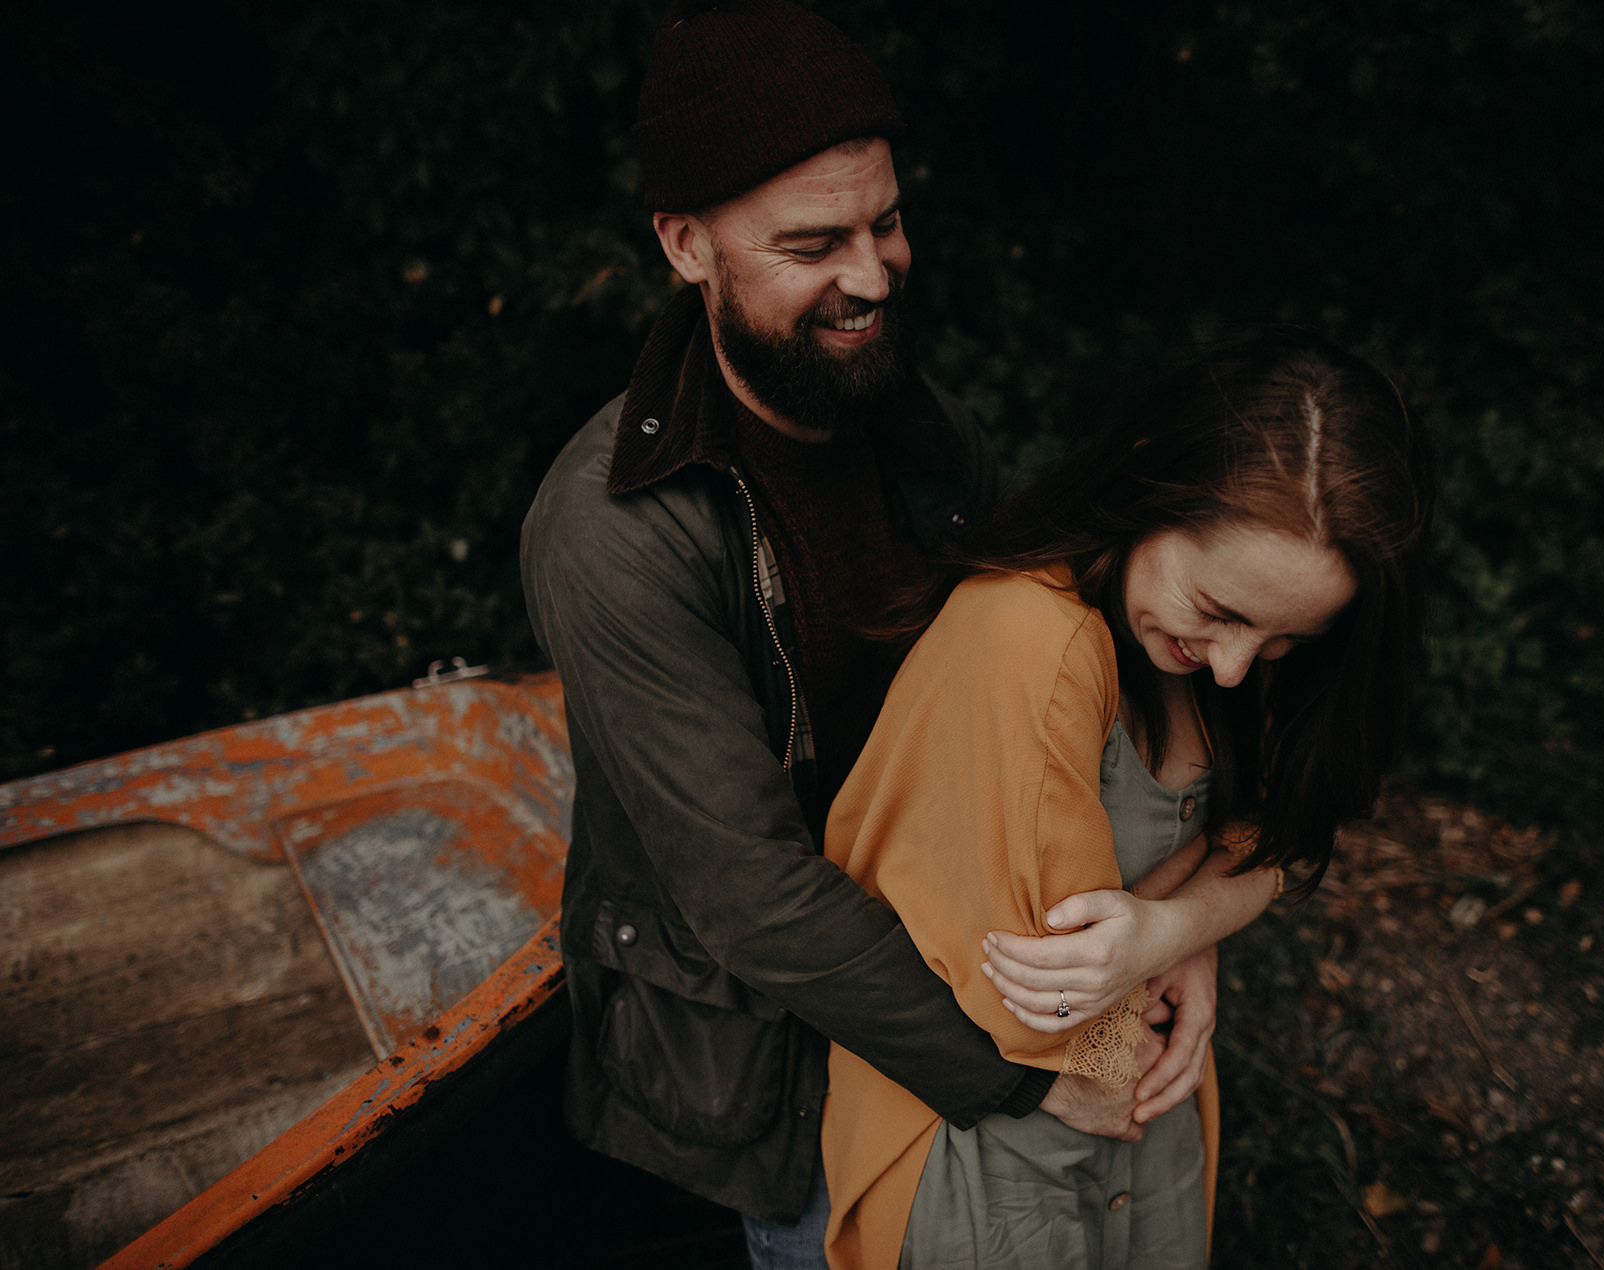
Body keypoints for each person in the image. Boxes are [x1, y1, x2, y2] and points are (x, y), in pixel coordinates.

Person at [519, 3, 1256, 1265]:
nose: (871, 274)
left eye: (886, 222)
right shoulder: (614, 534)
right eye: (814, 243)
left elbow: (1035, 729)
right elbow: (753, 900)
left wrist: (1171, 934)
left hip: (964, 972)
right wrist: (1019, 1078)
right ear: (687, 244)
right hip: (776, 1049)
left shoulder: (922, 428)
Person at [818, 334, 1436, 1269]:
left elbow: (1274, 833)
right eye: (1219, 612)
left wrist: (1171, 934)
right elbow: (1056, 989)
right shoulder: (1031, 638)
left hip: (1138, 1108)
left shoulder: (1202, 635)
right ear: (1151, 486)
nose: (1235, 668)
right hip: (1004, 1143)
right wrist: (1183, 928)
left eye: (1280, 645)